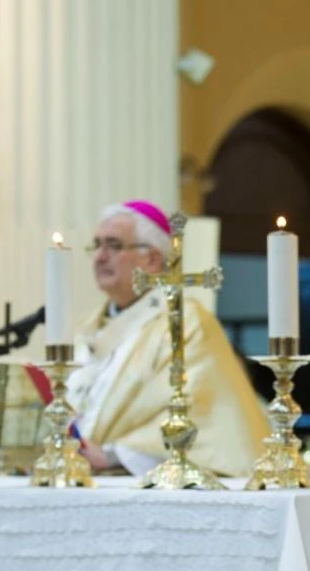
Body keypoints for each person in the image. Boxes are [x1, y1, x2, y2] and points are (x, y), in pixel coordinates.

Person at [68, 200, 269, 477]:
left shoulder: (185, 322)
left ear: (151, 260)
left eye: (113, 245)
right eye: (97, 244)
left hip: (143, 483)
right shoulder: (89, 328)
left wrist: (114, 456)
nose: (100, 256)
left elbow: (202, 413)